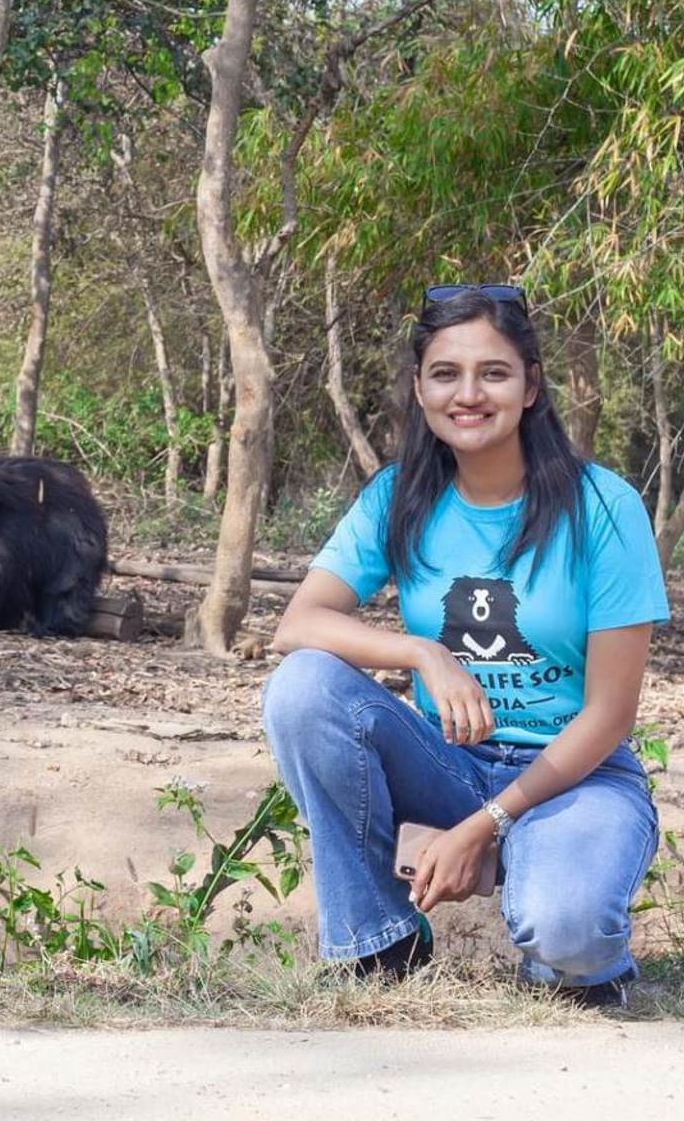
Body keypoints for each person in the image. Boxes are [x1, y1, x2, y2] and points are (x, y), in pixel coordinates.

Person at [262, 284, 667, 1007]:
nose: (468, 394)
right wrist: (425, 654)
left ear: (532, 386)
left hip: (576, 777)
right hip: (447, 763)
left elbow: (610, 715)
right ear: (419, 389)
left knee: (568, 933)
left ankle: (559, 932)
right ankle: (379, 944)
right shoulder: (399, 496)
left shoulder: (604, 507)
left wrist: (486, 827)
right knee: (305, 687)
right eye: (446, 373)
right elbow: (299, 624)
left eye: (495, 372)